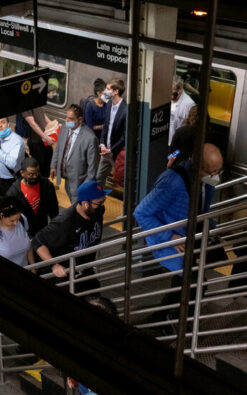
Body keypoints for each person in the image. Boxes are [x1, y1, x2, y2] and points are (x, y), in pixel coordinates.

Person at [133, 143, 223, 333]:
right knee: (190, 284)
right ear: (198, 167)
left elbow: (202, 209)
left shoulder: (205, 180)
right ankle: (165, 322)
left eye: (218, 171)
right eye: (212, 171)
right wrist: (170, 236)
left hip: (190, 238)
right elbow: (141, 213)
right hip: (174, 243)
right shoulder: (172, 183)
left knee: (187, 284)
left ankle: (167, 320)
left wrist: (211, 228)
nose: (216, 176)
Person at [32, 180, 107, 294]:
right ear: (85, 203)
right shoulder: (64, 223)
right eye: (98, 203)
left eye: (103, 201)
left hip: (84, 268)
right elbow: (37, 241)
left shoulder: (98, 211)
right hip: (64, 273)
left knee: (95, 295)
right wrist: (54, 265)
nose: (102, 205)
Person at [50, 104, 99, 205]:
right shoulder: (64, 127)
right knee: (72, 201)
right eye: (66, 117)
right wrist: (53, 166)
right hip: (66, 177)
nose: (67, 121)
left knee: (78, 206)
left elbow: (92, 168)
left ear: (80, 120)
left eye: (71, 119)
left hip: (80, 181)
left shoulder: (90, 138)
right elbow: (58, 148)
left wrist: (85, 187)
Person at [6, 157, 59, 238]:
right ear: (22, 173)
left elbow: (53, 208)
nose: (35, 176)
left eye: (37, 173)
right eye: (31, 174)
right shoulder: (14, 192)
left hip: (42, 229)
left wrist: (55, 227)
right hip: (23, 233)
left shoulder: (47, 185)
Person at [96, 79, 127, 187]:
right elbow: (106, 125)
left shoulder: (125, 110)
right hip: (105, 152)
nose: (105, 91)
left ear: (115, 91)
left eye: (108, 89)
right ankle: (98, 202)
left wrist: (111, 150)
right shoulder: (109, 104)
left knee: (122, 182)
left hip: (116, 153)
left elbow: (125, 136)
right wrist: (102, 144)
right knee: (99, 179)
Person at [0, 117, 25, 198]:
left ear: (8, 124)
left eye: (3, 122)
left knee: (11, 208)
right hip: (1, 181)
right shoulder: (1, 137)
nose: (0, 126)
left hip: (12, 181)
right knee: (0, 206)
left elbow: (11, 163)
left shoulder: (17, 141)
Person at [22, 106, 54, 173]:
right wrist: (45, 137)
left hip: (45, 141)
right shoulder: (26, 104)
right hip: (36, 142)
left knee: (47, 169)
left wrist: (54, 126)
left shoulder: (36, 101)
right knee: (39, 171)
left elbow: (43, 115)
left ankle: (44, 181)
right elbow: (32, 123)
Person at [169, 75, 196, 146]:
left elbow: (191, 131)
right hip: (165, 141)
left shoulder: (189, 105)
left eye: (172, 91)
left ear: (180, 89)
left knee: (172, 157)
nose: (169, 94)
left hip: (178, 146)